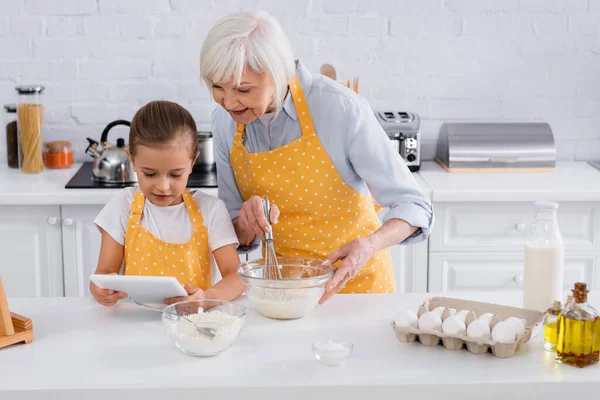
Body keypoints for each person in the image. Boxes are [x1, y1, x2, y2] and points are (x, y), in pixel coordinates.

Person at [200, 11, 434, 303]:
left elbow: (415, 205)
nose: (229, 102)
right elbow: (233, 232)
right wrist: (245, 224)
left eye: (243, 89)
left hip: (358, 292)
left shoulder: (339, 109)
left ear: (278, 72)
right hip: (285, 295)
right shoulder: (225, 124)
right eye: (217, 88)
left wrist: (370, 244)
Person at [90, 100, 245, 306]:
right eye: (150, 173)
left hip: (192, 325)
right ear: (132, 160)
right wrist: (100, 290)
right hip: (133, 323)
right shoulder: (122, 206)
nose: (163, 186)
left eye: (175, 174)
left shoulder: (211, 210)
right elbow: (104, 273)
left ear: (192, 162)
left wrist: (205, 298)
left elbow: (237, 278)